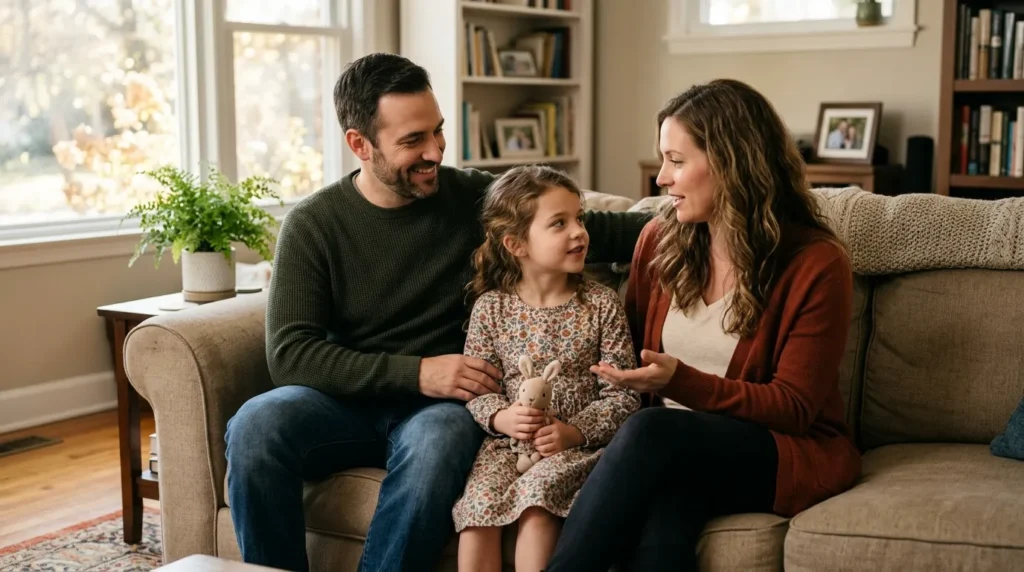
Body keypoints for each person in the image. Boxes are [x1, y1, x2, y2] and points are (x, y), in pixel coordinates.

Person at [223, 52, 650, 572]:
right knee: (256, 425)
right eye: (413, 141)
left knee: (436, 443)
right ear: (360, 144)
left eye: (438, 131)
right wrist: (418, 372)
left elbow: (595, 229)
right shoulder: (312, 225)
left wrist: (696, 215)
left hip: (439, 412)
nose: (435, 151)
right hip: (343, 406)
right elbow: (291, 355)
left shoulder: (471, 197)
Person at [545, 79, 862, 571]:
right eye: (663, 159)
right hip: (671, 452)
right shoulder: (658, 240)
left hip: (778, 448)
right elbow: (627, 360)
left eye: (676, 161)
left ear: (732, 163)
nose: (661, 179)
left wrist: (680, 382)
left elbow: (795, 408)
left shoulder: (815, 263)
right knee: (667, 509)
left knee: (654, 433)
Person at [452, 166, 641, 572]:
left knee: (537, 505)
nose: (579, 232)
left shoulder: (601, 305)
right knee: (477, 512)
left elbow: (624, 395)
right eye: (559, 223)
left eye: (580, 219)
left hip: (577, 448)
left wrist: (573, 433)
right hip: (508, 447)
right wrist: (502, 418)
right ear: (516, 244)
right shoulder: (491, 308)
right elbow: (478, 389)